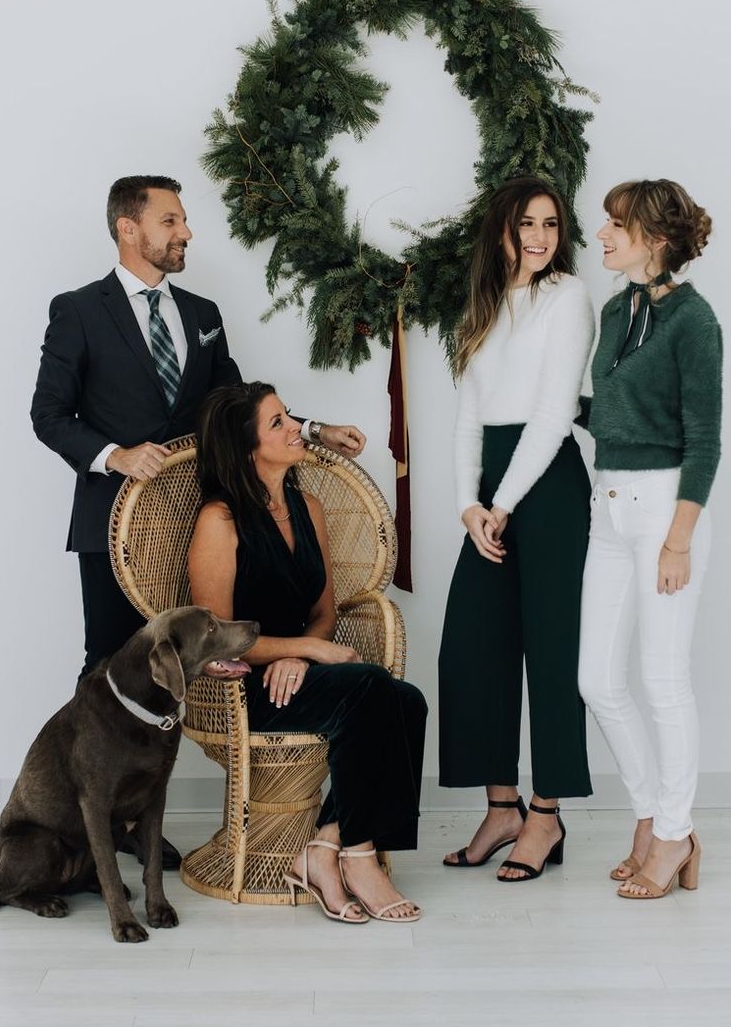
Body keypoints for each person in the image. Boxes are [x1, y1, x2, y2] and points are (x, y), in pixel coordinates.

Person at [30, 174, 366, 867]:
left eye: (184, 221)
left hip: (193, 523)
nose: (186, 232)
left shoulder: (202, 311)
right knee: (109, 677)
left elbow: (239, 404)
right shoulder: (78, 311)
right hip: (111, 527)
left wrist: (308, 426)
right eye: (172, 220)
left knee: (179, 678)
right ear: (130, 227)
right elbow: (48, 415)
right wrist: (114, 454)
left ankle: (137, 825)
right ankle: (82, 832)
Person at [188, 382, 427, 923]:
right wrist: (302, 650)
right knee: (372, 688)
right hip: (244, 685)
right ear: (247, 447)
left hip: (299, 674)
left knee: (407, 701)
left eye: (287, 417)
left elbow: (324, 608)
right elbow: (215, 636)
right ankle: (359, 857)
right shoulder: (218, 521)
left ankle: (326, 846)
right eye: (278, 423)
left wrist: (306, 652)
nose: (296, 427)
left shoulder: (308, 507)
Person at [438, 176, 594, 881]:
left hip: (549, 484)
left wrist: (501, 500)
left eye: (550, 225)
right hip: (493, 492)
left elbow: (556, 412)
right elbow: (468, 415)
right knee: (472, 648)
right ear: (500, 229)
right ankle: (501, 807)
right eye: (526, 223)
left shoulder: (568, 298)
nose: (538, 236)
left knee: (552, 653)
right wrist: (467, 504)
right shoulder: (481, 307)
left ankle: (546, 814)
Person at [578, 179, 721, 899]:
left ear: (656, 241)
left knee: (663, 681)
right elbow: (608, 411)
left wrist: (678, 541)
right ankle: (653, 816)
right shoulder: (617, 307)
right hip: (608, 507)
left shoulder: (694, 322)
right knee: (597, 680)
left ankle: (672, 835)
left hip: (666, 507)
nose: (600, 234)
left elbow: (705, 441)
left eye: (615, 225)